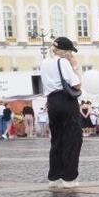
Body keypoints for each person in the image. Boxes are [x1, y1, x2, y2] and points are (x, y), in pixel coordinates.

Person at [40, 36, 83, 188]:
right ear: (65, 52)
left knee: (56, 139)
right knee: (72, 138)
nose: (71, 55)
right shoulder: (63, 62)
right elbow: (76, 85)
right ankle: (69, 178)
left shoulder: (44, 63)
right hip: (66, 101)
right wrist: (75, 66)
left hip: (52, 102)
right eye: (70, 52)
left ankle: (54, 176)